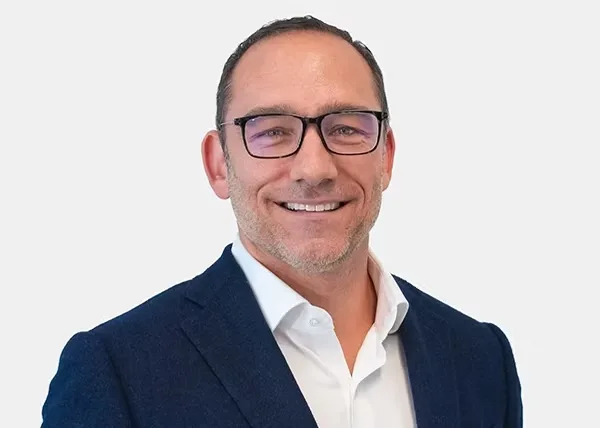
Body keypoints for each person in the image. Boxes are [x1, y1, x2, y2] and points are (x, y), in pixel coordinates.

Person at [41, 15, 522, 428]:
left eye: (346, 128)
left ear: (386, 156)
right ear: (218, 164)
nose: (314, 168)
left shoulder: (480, 359)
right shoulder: (117, 371)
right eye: (272, 131)